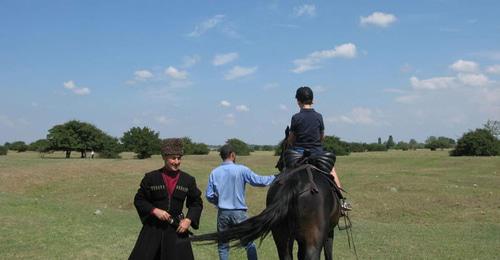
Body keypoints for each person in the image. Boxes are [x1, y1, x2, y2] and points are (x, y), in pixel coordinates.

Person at [129, 138, 203, 260]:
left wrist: (188, 220)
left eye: (179, 158)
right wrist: (154, 210)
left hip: (177, 229)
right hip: (153, 229)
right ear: (164, 157)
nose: (176, 161)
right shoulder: (151, 178)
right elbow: (139, 200)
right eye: (173, 158)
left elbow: (196, 203)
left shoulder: (188, 180)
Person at [205, 145, 276, 260]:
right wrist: (276, 177)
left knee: (223, 246)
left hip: (222, 213)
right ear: (232, 155)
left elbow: (209, 195)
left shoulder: (214, 172)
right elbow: (259, 181)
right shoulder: (241, 169)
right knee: (248, 243)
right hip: (239, 213)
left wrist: (218, 202)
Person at [287, 86, 352, 211]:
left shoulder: (296, 117)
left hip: (299, 155)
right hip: (317, 153)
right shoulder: (319, 116)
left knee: (286, 173)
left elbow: (291, 139)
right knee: (332, 170)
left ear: (298, 101)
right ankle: (341, 201)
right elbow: (322, 136)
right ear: (312, 100)